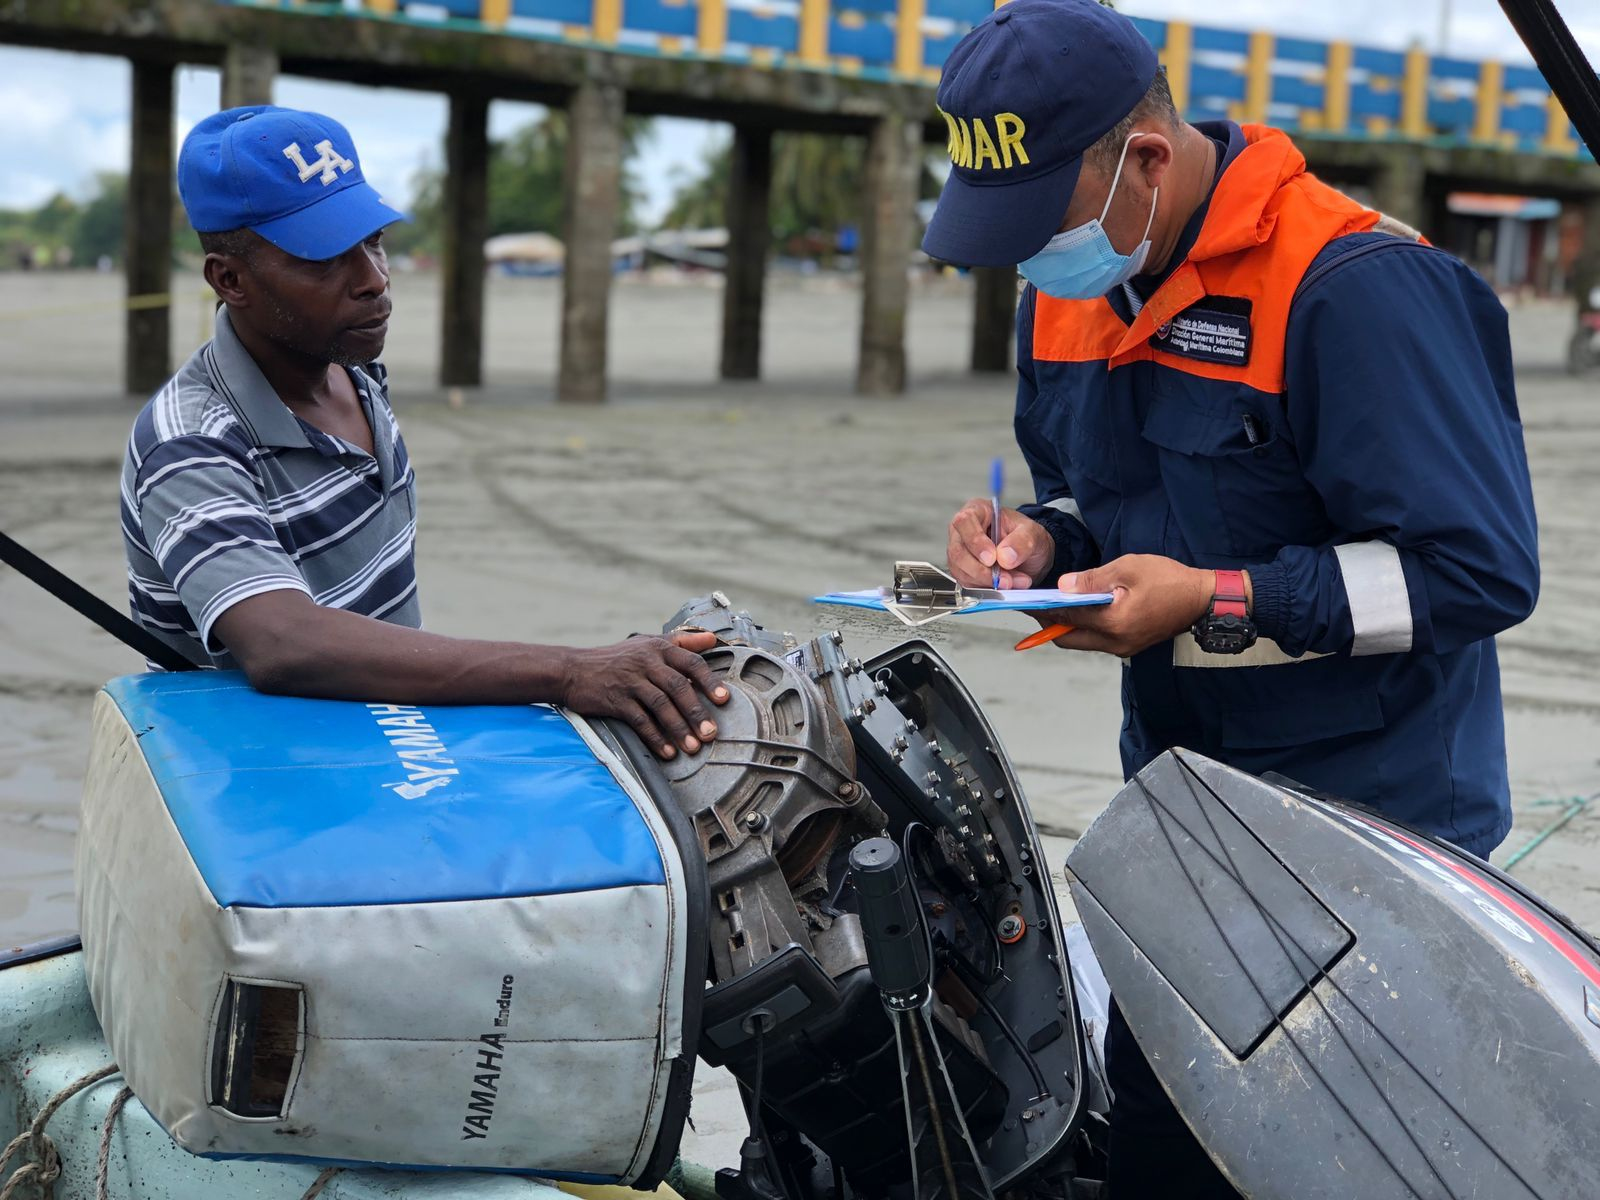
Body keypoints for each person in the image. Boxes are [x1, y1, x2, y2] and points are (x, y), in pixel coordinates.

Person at [924, 2, 1539, 1196]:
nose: (1024, 257)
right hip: (1182, 822)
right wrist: (1036, 544)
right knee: (1165, 1154)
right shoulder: (1059, 284)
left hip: (1378, 839)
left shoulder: (1353, 286)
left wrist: (1215, 597)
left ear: (1143, 160)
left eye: (1038, 221)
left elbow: (1477, 573)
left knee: (1357, 1160)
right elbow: (1093, 495)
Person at [122, 105, 727, 760]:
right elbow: (282, 645)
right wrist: (570, 670)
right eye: (325, 258)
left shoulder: (356, 375)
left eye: (374, 240)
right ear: (230, 279)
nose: (375, 280)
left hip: (392, 737)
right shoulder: (189, 440)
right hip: (257, 784)